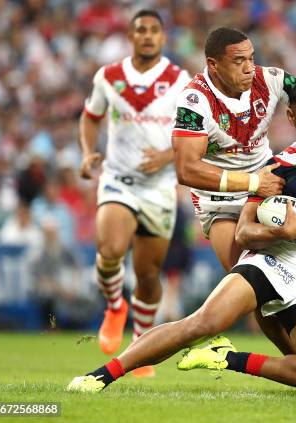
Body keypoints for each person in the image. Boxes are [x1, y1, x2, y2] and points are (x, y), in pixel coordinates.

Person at [66, 81, 296, 393]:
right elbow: (244, 231)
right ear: (291, 117)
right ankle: (102, 375)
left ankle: (226, 358)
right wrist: (283, 231)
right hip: (269, 262)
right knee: (201, 324)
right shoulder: (277, 167)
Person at [171, 26, 296, 352]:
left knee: (295, 270)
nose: (250, 68)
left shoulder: (271, 79)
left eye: (251, 58)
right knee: (252, 280)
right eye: (239, 61)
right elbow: (187, 169)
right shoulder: (194, 101)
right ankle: (295, 359)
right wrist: (253, 182)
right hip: (220, 202)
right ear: (213, 64)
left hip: (270, 191)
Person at [78, 9, 192, 377]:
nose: (147, 36)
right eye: (140, 30)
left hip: (159, 187)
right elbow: (90, 116)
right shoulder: (109, 77)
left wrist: (165, 155)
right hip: (118, 179)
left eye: (154, 30)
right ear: (131, 35)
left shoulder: (179, 80)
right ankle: (114, 306)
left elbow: (193, 132)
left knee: (147, 274)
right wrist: (86, 150)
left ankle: (141, 343)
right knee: (110, 249)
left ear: (163, 37)